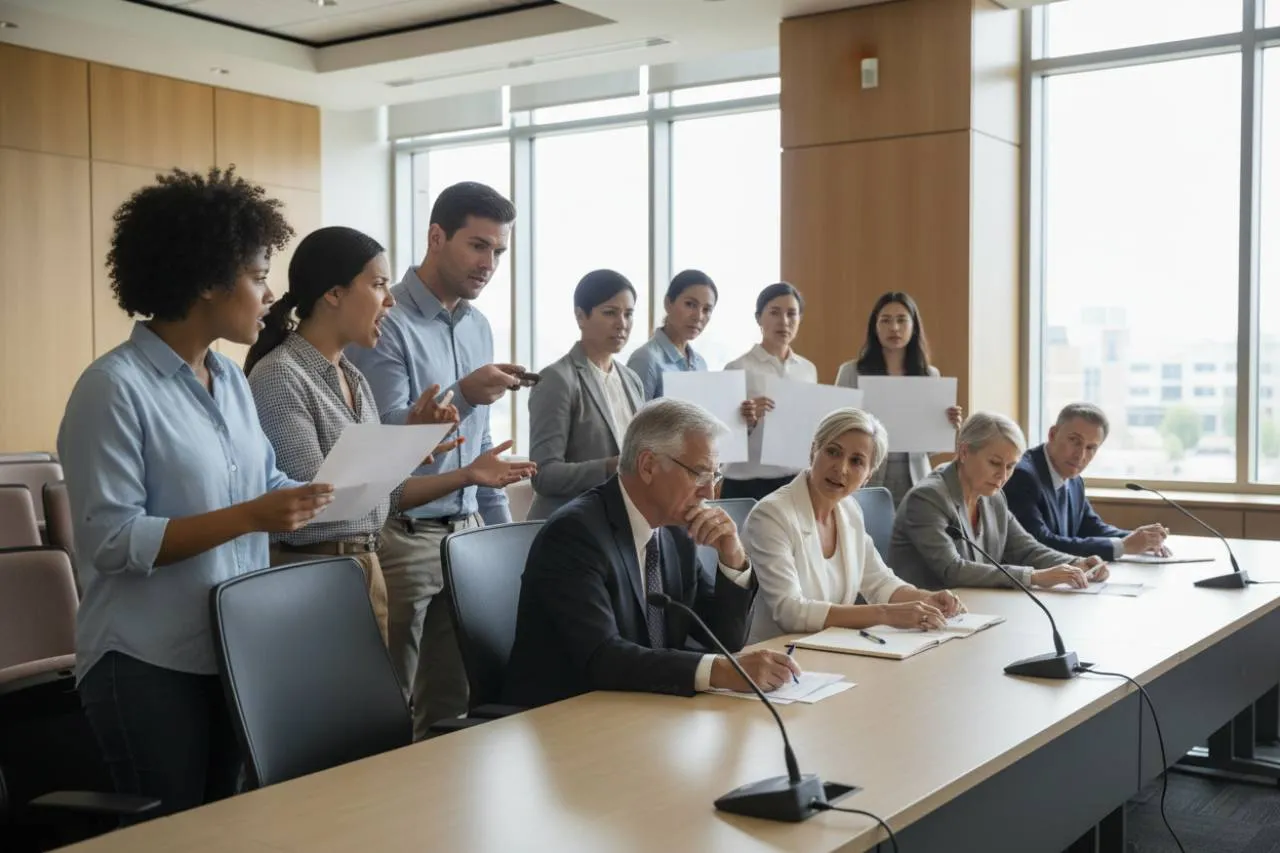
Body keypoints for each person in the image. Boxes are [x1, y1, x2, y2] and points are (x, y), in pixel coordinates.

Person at [57, 167, 335, 819]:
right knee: (170, 834)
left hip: (235, 647)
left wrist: (337, 489)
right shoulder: (113, 388)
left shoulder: (230, 381)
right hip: (145, 662)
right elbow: (111, 540)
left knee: (227, 827)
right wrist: (251, 515)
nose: (271, 294)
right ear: (210, 278)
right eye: (260, 273)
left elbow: (265, 485)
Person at [245, 226, 538, 645]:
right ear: (334, 293)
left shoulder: (354, 378)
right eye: (379, 284)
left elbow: (383, 499)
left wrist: (421, 457)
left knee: (394, 708)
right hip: (311, 577)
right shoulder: (280, 375)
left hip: (364, 564)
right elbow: (311, 513)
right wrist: (399, 452)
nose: (390, 300)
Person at [346, 181, 535, 740]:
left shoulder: (478, 326)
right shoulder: (386, 320)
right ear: (436, 236)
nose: (489, 264)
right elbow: (383, 438)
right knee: (387, 709)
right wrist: (465, 392)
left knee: (452, 713)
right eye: (478, 246)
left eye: (499, 252)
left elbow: (483, 449)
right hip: (400, 535)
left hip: (466, 535)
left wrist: (500, 539)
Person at [503, 399, 798, 709]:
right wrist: (720, 671)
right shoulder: (575, 534)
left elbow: (722, 639)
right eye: (699, 474)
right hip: (563, 716)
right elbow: (603, 657)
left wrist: (733, 557)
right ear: (648, 466)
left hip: (643, 707)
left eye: (714, 477)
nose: (710, 493)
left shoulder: (673, 531)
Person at [744, 408, 965, 643]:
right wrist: (886, 614)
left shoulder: (849, 510)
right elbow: (790, 612)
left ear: (868, 475)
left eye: (856, 461)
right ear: (813, 452)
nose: (841, 468)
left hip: (832, 649)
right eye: (832, 452)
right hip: (776, 658)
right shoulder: (771, 515)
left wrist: (925, 599)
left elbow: (879, 582)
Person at [888, 412, 1111, 590]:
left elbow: (1025, 548)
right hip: (922, 620)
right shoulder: (928, 498)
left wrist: (1076, 563)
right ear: (964, 452)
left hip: (973, 610)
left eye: (1011, 466)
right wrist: (1033, 576)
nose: (1003, 476)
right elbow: (952, 570)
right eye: (995, 463)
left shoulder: (992, 496)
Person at [527, 269, 645, 520]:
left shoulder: (631, 380)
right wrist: (611, 467)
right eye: (610, 313)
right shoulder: (557, 379)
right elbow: (544, 475)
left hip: (618, 524)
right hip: (567, 527)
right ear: (581, 316)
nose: (622, 323)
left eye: (629, 314)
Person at [835, 292, 963, 506]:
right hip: (866, 472)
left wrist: (947, 425)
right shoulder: (851, 372)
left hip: (915, 476)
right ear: (874, 327)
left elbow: (930, 449)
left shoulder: (929, 375)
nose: (894, 328)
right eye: (885, 320)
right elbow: (836, 428)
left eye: (902, 320)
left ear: (914, 327)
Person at [1004, 403, 1170, 560]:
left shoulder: (1074, 479)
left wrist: (1141, 539)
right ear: (1052, 434)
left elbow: (1091, 527)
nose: (1080, 455)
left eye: (1090, 448)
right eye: (1074, 441)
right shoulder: (1022, 476)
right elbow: (1040, 544)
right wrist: (1122, 546)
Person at [721, 283, 818, 501]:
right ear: (758, 318)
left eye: (791, 314)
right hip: (747, 483)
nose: (784, 321)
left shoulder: (807, 369)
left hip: (796, 480)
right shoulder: (738, 368)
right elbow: (722, 439)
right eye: (774, 312)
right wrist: (747, 419)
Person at [627, 269, 717, 399]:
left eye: (707, 309)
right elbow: (633, 417)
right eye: (690, 304)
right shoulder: (645, 359)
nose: (698, 316)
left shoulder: (700, 363)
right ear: (668, 303)